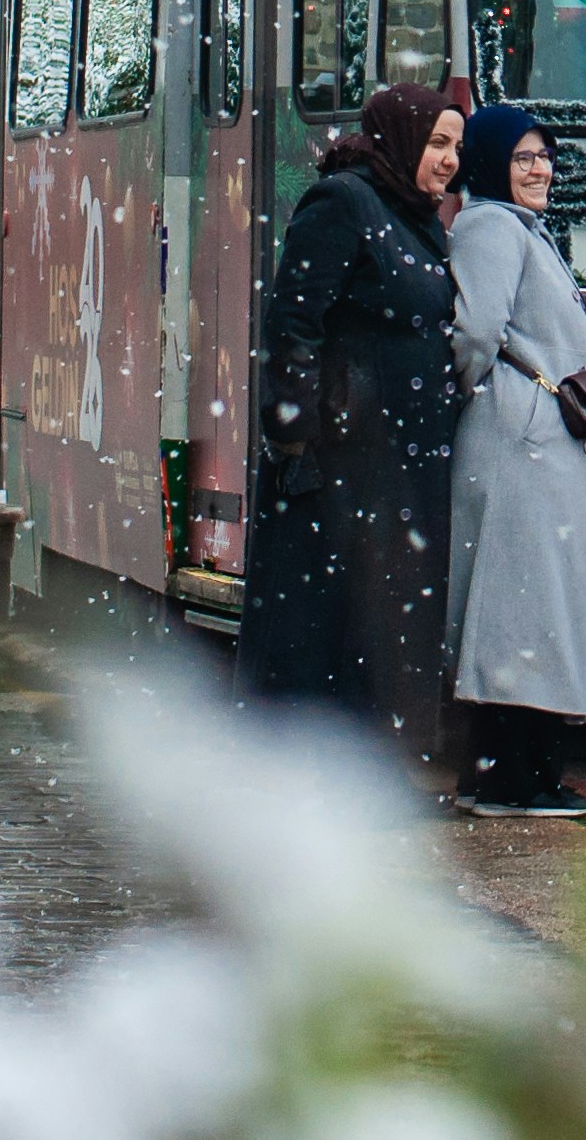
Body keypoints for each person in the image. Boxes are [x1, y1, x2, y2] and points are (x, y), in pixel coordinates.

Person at [243, 83, 462, 757]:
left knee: (389, 616)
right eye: (436, 143)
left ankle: (377, 763)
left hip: (398, 459)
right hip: (341, 460)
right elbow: (294, 324)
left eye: (456, 146)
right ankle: (324, 769)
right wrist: (292, 436)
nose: (450, 159)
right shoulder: (343, 202)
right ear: (400, 140)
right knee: (331, 621)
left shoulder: (411, 212)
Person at [443, 103, 586, 817]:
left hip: (539, 447)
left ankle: (523, 771)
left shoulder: (519, 229)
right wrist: (489, 398)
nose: (540, 168)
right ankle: (509, 779)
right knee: (520, 613)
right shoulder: (489, 226)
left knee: (532, 612)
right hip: (523, 448)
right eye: (522, 157)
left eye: (544, 155)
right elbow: (474, 330)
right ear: (491, 166)